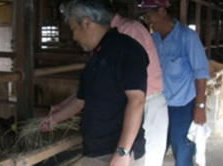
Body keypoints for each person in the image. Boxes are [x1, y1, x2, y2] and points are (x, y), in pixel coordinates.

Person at [45, 0, 169, 165]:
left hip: (115, 152)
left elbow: (137, 100)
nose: (74, 37)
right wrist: (55, 119)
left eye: (74, 29)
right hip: (97, 151)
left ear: (87, 23)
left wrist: (122, 152)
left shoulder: (126, 48)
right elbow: (81, 99)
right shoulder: (96, 56)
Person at [140, 0, 210, 165]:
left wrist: (199, 106)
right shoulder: (153, 40)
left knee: (183, 154)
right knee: (154, 151)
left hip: (182, 107)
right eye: (144, 16)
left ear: (162, 11)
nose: (147, 20)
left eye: (149, 15)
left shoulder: (187, 37)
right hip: (158, 106)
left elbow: (200, 73)